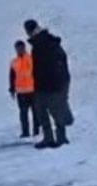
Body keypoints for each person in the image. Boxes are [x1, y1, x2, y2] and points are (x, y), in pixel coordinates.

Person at [25, 19, 73, 149]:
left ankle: (55, 138)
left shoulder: (42, 44)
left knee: (51, 111)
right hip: (48, 83)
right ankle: (56, 138)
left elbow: (46, 66)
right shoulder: (48, 42)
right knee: (47, 111)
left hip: (48, 84)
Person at [9, 40, 38, 138]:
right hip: (21, 92)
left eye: (21, 48)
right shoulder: (14, 62)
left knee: (36, 112)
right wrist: (12, 89)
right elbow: (12, 77)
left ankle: (36, 130)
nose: (19, 50)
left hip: (33, 90)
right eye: (17, 48)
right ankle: (25, 132)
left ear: (24, 48)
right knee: (23, 113)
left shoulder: (31, 59)